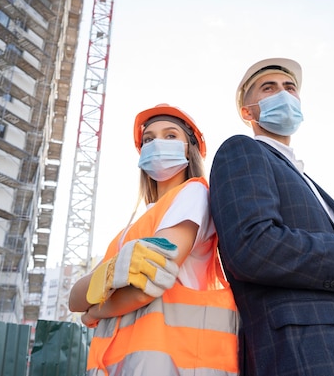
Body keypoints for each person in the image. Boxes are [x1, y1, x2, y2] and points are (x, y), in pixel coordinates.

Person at [209, 58, 334, 376]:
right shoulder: (243, 151)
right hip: (304, 354)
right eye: (269, 88)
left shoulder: (307, 180)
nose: (283, 94)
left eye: (290, 88)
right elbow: (251, 246)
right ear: (248, 112)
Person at [69, 104, 238, 376]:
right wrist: (111, 273)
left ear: (189, 148)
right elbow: (75, 299)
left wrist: (96, 311)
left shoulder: (194, 194)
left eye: (170, 136)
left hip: (171, 365)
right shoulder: (129, 231)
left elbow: (148, 282)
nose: (157, 143)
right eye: (149, 139)